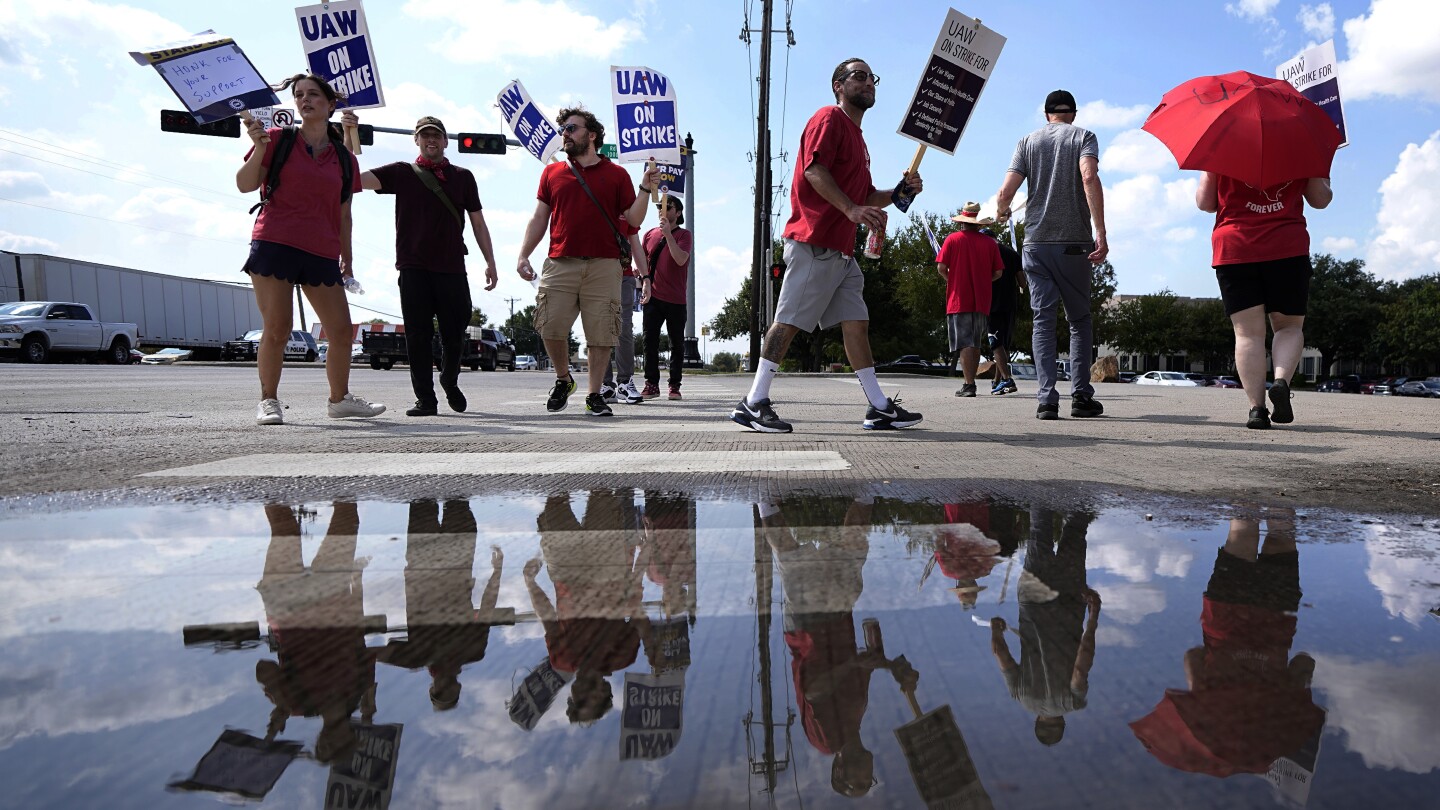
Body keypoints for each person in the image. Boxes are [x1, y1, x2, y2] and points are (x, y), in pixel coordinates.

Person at [731, 58, 924, 433]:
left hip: (841, 252)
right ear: (838, 85)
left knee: (857, 323)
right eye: (859, 76)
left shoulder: (859, 139)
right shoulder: (829, 119)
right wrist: (850, 209)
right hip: (815, 241)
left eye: (873, 77)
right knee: (788, 321)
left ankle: (879, 407)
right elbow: (813, 170)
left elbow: (867, 194)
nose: (868, 82)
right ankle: (753, 402)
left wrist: (900, 192)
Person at [236, 73, 385, 425]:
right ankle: (268, 401)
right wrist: (258, 148)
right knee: (278, 328)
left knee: (341, 331)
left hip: (321, 250)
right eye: (299, 95)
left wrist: (347, 258)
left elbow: (344, 213)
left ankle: (339, 400)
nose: (304, 100)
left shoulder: (345, 158)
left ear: (331, 104)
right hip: (274, 242)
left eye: (313, 95)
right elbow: (244, 185)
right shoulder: (276, 139)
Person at [1130, 510, 1325, 776]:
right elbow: (1193, 655)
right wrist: (1201, 686)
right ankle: (1248, 482)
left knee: (1281, 536)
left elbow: (1304, 662)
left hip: (1276, 620)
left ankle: (1282, 490)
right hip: (1225, 616)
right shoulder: (1206, 711)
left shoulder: (1280, 718)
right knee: (1241, 532)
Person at [343, 112, 499, 417]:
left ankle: (449, 379)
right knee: (417, 335)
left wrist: (490, 261)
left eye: (436, 135)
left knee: (455, 333)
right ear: (417, 140)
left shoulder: (463, 177)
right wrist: (351, 135)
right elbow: (353, 180)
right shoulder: (402, 172)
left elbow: (478, 223)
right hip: (413, 267)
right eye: (425, 135)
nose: (431, 140)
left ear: (445, 141)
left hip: (452, 267)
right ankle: (426, 399)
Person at [516, 106, 661, 418]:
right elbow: (540, 218)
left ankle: (594, 394)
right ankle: (563, 379)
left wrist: (645, 188)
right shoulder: (552, 173)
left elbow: (633, 221)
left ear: (591, 134)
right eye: (563, 130)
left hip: (605, 265)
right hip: (560, 262)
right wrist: (523, 254)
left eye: (572, 128)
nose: (565, 134)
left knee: (602, 334)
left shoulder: (617, 175)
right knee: (549, 326)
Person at [995, 89, 1108, 421]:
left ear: (1047, 115)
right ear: (1072, 114)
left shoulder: (1027, 142)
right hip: (1074, 242)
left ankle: (1046, 400)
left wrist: (1002, 211)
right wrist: (1099, 230)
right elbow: (1089, 176)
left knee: (1043, 322)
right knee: (1079, 320)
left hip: (1036, 244)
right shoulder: (1084, 136)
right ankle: (1081, 396)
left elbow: (1006, 191)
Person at [1195, 173, 1332, 429]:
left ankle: (1256, 410)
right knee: (1288, 327)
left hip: (1235, 247)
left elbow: (1205, 203)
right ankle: (1281, 382)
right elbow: (1320, 200)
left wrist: (1209, 169)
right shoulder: (1304, 143)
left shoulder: (1220, 143)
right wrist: (1320, 172)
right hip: (1287, 247)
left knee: (1248, 335)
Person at [989, 506, 1100, 746]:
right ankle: (1039, 478)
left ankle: (1081, 482)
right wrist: (996, 631)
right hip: (1033, 600)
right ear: (1038, 720)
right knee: (1039, 530)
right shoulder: (1022, 698)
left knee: (1075, 528)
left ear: (1061, 722)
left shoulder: (1073, 702)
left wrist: (1093, 619)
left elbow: (1081, 667)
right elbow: (1001, 655)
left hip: (1069, 603)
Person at [381, 500, 502, 711]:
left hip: (422, 568)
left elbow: (366, 654)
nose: (445, 686)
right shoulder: (474, 651)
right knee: (458, 502)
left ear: (431, 689)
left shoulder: (415, 658)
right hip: (457, 567)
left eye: (439, 693)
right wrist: (496, 574)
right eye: (451, 692)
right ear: (459, 687)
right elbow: (486, 610)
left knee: (422, 501)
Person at [935, 202, 1005, 398]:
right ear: (977, 223)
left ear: (962, 222)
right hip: (982, 299)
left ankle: (969, 384)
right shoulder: (990, 243)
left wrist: (954, 280)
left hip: (960, 299)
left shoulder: (952, 239)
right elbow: (998, 272)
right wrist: (983, 281)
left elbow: (941, 268)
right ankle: (970, 382)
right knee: (974, 342)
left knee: (965, 342)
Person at [640, 194, 693, 400]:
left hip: (676, 299)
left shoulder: (684, 235)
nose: (662, 211)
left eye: (667, 207)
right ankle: (651, 384)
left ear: (677, 212)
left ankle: (674, 385)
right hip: (653, 296)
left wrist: (668, 235)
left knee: (676, 345)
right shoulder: (649, 235)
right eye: (659, 207)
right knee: (649, 342)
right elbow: (644, 263)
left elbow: (680, 260)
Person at [600, 221, 647, 405]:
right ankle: (605, 386)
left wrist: (646, 277)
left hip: (624, 275)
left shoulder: (627, 208)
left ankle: (624, 383)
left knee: (624, 329)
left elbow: (635, 243)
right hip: (597, 274)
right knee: (600, 330)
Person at [986, 228, 1026, 395]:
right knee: (1003, 343)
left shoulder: (985, 253)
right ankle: (997, 381)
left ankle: (1007, 379)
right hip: (1010, 303)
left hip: (992, 303)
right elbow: (1023, 282)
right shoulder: (1011, 253)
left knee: (995, 342)